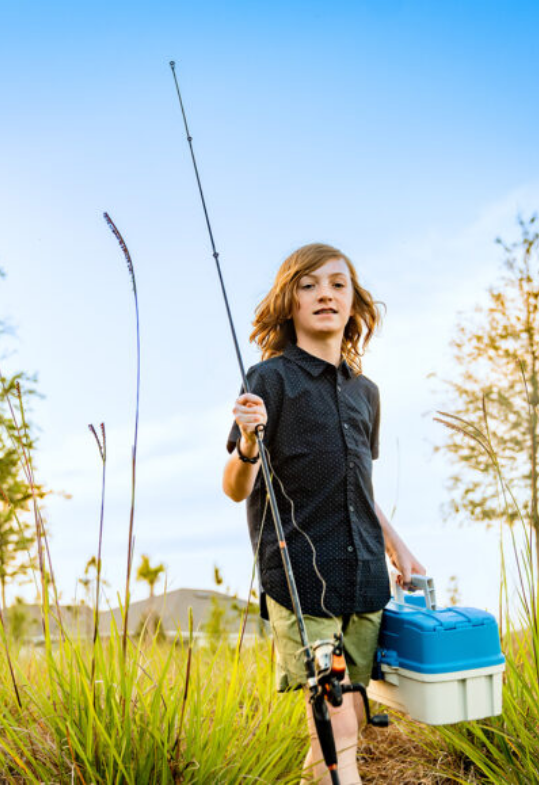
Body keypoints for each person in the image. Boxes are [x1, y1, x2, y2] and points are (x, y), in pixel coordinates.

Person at [223, 243, 424, 784]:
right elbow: (235, 487)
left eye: (337, 284)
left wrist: (398, 547)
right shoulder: (268, 380)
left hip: (364, 577)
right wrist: (247, 439)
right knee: (332, 708)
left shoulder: (367, 394)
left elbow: (357, 487)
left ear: (354, 302)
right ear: (289, 303)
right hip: (299, 575)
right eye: (308, 285)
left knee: (350, 709)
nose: (324, 295)